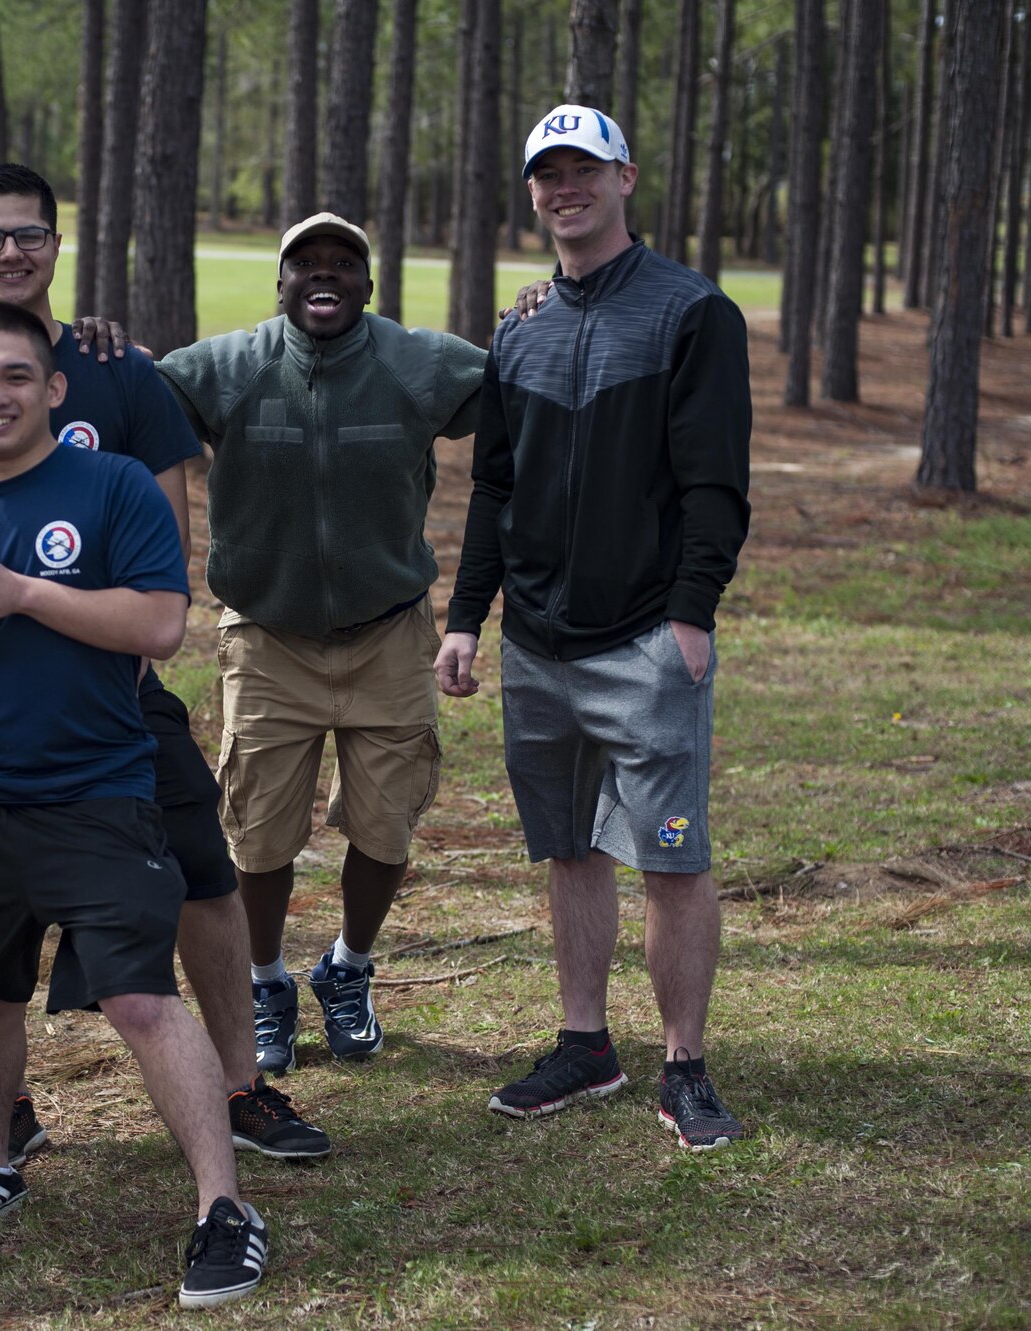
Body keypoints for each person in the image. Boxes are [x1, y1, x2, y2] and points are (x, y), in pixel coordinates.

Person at [0, 162, 329, 1162]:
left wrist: (114, 630)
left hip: (119, 700)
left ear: (56, 246)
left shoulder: (120, 371)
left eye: (27, 236)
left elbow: (163, 558)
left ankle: (239, 1084)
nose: (9, 252)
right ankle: (3, 1120)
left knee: (201, 880)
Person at [0, 302, 270, 1310]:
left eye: (16, 376)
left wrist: (20, 590)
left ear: (52, 389)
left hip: (97, 791)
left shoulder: (111, 488)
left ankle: (223, 1208)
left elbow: (159, 623)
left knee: (141, 996)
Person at [435, 106, 753, 1150]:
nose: (562, 187)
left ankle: (683, 1064)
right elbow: (493, 486)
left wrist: (690, 613)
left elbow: (713, 483)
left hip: (640, 640)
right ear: (530, 191)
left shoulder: (689, 313)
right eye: (544, 174)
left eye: (582, 169)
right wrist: (467, 619)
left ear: (622, 175)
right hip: (534, 640)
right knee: (568, 848)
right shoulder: (519, 322)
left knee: (669, 854)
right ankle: (584, 1044)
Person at [154, 214, 486, 1075]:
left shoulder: (418, 363)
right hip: (268, 640)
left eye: (345, 263)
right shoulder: (230, 367)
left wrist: (529, 319)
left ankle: (348, 966)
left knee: (386, 825)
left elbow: (519, 387)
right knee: (259, 834)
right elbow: (132, 399)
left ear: (369, 285)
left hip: (389, 636)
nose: (324, 275)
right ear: (282, 282)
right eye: (306, 263)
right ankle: (267, 980)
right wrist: (92, 345)